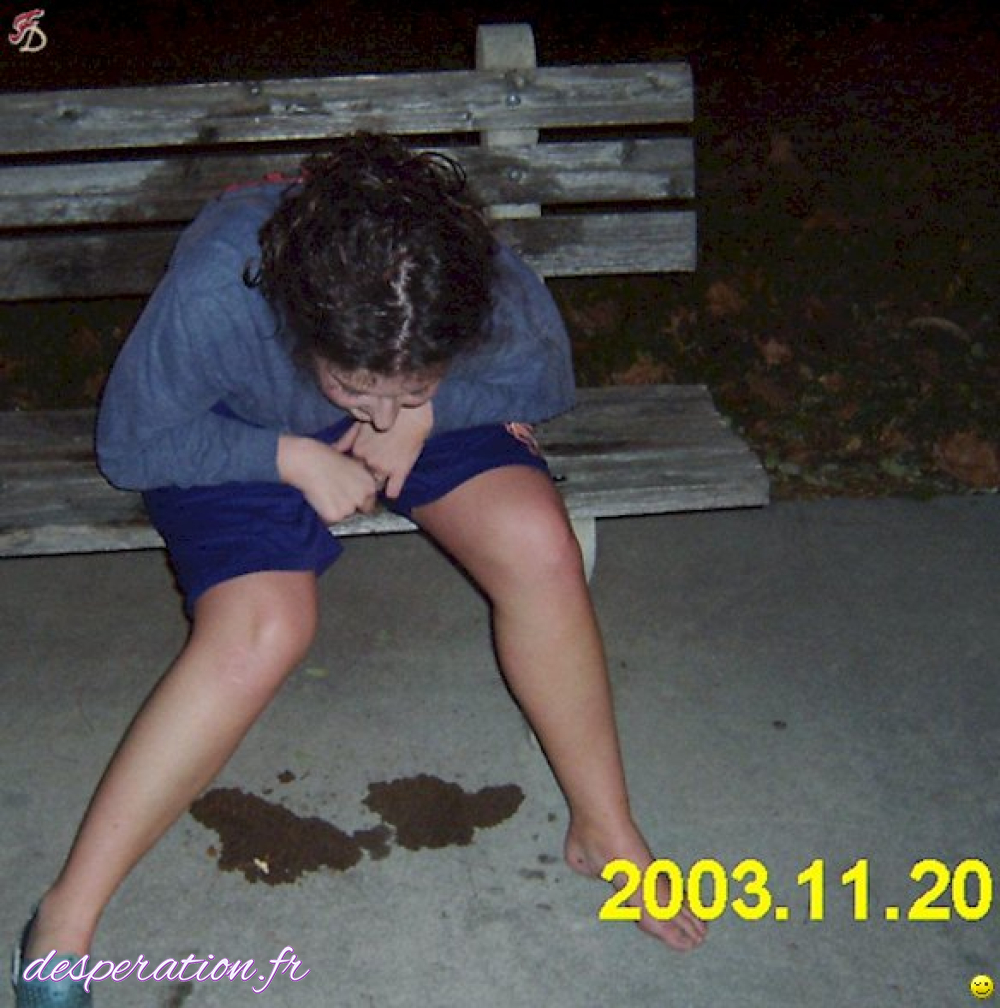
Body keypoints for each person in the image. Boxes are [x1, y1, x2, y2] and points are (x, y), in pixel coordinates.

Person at [12, 132, 706, 1006]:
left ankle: (605, 828)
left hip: (430, 413)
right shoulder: (223, 289)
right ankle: (65, 918)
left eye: (404, 385)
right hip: (237, 431)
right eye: (356, 388)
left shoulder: (457, 281)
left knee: (538, 542)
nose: (374, 413)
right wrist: (291, 457)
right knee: (265, 628)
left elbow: (544, 373)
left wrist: (423, 412)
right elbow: (132, 443)